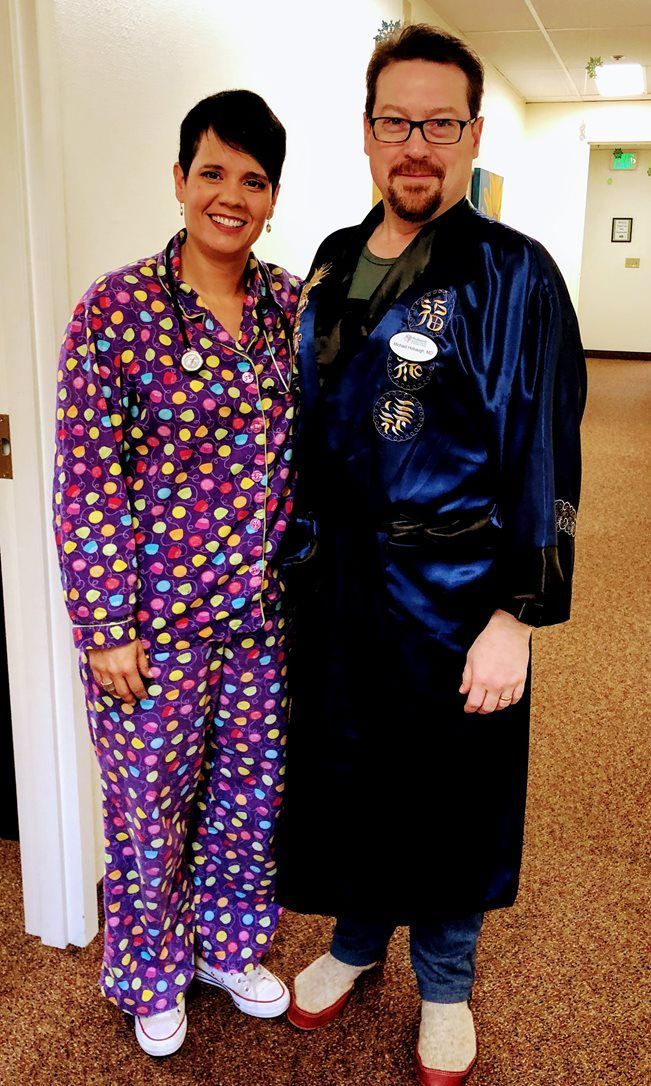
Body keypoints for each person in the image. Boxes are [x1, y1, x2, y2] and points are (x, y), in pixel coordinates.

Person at [274, 25, 587, 1086]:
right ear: (368, 134)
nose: (418, 144)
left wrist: (518, 617)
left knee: (454, 787)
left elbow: (547, 451)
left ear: (471, 135)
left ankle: (445, 981)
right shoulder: (327, 257)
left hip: (458, 587)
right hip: (341, 582)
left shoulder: (516, 277)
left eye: (440, 124)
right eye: (397, 122)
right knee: (355, 766)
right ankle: (360, 941)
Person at [52, 90, 301, 1056]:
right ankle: (150, 969)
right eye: (213, 173)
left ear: (272, 197)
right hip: (149, 627)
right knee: (149, 809)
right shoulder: (115, 311)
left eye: (252, 179)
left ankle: (226, 947)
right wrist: (106, 624)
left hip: (257, 615)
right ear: (179, 180)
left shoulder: (286, 304)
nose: (230, 196)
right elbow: (85, 477)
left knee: (249, 794)